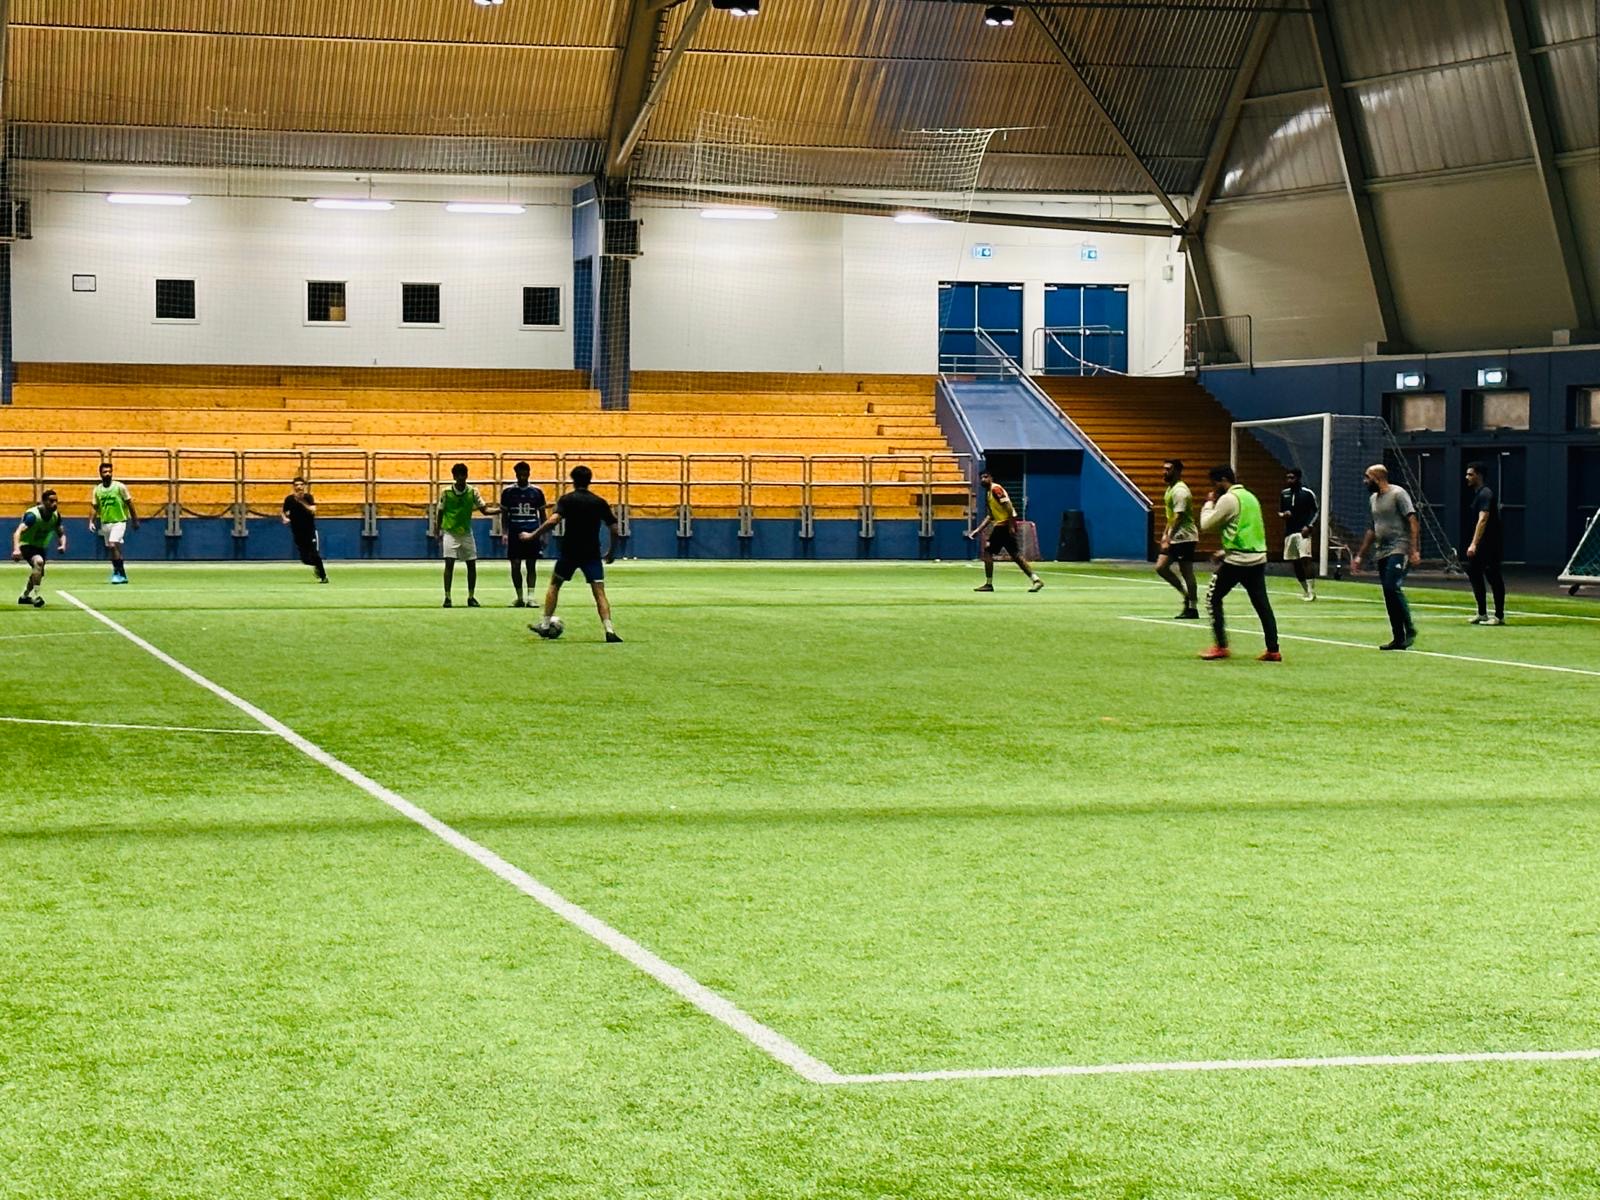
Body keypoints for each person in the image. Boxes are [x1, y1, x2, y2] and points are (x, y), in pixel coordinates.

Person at [528, 464, 623, 643]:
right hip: (591, 552)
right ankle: (609, 630)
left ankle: (546, 625)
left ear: (573, 480)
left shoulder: (567, 500)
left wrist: (533, 535)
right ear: (589, 480)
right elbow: (615, 529)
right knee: (599, 592)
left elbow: (553, 520)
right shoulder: (599, 502)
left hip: (570, 551)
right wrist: (611, 551)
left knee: (555, 585)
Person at [1198, 465, 1281, 662]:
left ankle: (1220, 646)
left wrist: (1208, 504)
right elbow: (1244, 529)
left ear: (1223, 480)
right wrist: (1224, 551)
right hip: (1257, 557)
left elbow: (1206, 525)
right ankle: (1273, 649)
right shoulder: (1250, 497)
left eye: (1215, 483)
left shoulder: (1228, 499)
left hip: (1238, 561)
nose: (1214, 488)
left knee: (1213, 598)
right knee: (1262, 604)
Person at [1351, 463, 1421, 650]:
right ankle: (1398, 637)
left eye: (1368, 477)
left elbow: (1413, 521)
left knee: (1392, 587)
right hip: (1381, 550)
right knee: (1388, 594)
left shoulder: (1398, 494)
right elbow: (1372, 529)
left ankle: (1410, 628)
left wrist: (1413, 549)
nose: (1365, 481)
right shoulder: (1373, 499)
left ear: (1377, 478)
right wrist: (1360, 556)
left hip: (1399, 547)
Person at [968, 470, 1043, 593]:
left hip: (1003, 525)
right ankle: (1036, 580)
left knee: (987, 551)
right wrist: (978, 530)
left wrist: (1011, 525)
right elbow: (990, 515)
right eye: (981, 477)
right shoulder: (988, 495)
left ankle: (989, 583)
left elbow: (1008, 506)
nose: (983, 480)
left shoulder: (996, 489)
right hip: (1002, 525)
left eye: (986, 477)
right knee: (1016, 555)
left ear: (991, 478)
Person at [438, 462, 496, 608]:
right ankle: (447, 597)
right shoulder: (446, 492)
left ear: (466, 476)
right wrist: (437, 530)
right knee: (449, 564)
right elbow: (440, 511)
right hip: (450, 532)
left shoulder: (473, 491)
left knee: (471, 564)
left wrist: (502, 510)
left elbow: (484, 510)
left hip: (466, 533)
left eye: (463, 475)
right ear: (454, 476)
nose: (461, 478)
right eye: (458, 475)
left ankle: (471, 597)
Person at [500, 461, 548, 608]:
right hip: (515, 531)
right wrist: (505, 532)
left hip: (532, 531)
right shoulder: (508, 492)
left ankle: (531, 597)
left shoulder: (536, 492)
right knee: (515, 565)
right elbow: (504, 514)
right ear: (516, 474)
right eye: (519, 474)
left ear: (528, 473)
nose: (522, 476)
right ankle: (519, 597)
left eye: (524, 474)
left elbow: (542, 514)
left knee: (531, 564)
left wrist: (543, 534)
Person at [1155, 459, 1199, 619]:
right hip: (1174, 536)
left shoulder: (1181, 491)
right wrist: (1164, 535)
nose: (1164, 472)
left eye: (1168, 469)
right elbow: (1171, 516)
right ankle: (1185, 595)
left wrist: (1169, 536)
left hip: (1185, 537)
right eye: (1164, 469)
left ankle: (1192, 607)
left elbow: (1179, 516)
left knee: (1186, 571)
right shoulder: (1170, 489)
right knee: (1161, 567)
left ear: (1178, 471)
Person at [1463, 460, 1505, 626]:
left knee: (1493, 577)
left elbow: (1483, 519)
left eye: (1470, 474)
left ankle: (1499, 616)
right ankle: (1482, 613)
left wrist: (1474, 543)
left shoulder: (1486, 494)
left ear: (1479, 476)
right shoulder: (1478, 494)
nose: (1467, 477)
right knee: (1474, 573)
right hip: (1482, 545)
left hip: (1490, 545)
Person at [11, 490, 66, 608]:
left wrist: (62, 544)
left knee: (38, 572)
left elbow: (61, 533)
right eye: (51, 501)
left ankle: (24, 597)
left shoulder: (56, 516)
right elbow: (17, 532)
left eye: (56, 501)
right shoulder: (32, 516)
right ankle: (37, 596)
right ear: (44, 502)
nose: (54, 504)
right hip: (26, 544)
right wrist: (16, 549)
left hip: (40, 547)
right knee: (38, 562)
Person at [89, 461, 138, 584]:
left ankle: (117, 573)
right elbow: (95, 507)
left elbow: (130, 503)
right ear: (100, 473)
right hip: (106, 523)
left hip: (119, 521)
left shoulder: (119, 487)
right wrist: (91, 521)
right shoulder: (97, 490)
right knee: (114, 549)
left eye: (110, 472)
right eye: (105, 472)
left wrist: (135, 520)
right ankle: (122, 573)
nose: (108, 474)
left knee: (112, 544)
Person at [1279, 468, 1320, 601]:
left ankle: (1312, 591)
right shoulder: (1284, 494)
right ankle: (1305, 590)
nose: (1289, 480)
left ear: (1298, 478)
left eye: (1292, 478)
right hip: (1289, 532)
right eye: (1288, 478)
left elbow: (1316, 511)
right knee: (1295, 562)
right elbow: (1280, 511)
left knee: (1306, 560)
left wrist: (1309, 526)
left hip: (1303, 532)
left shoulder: (1307, 494)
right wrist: (1283, 515)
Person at [281, 477, 328, 583]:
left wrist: (301, 501)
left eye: (301, 485)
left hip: (310, 531)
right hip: (297, 533)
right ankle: (316, 566)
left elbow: (313, 510)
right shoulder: (289, 499)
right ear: (294, 486)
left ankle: (323, 576)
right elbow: (284, 511)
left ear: (304, 486)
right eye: (297, 485)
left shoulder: (308, 498)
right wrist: (285, 518)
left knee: (315, 554)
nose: (299, 487)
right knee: (305, 559)